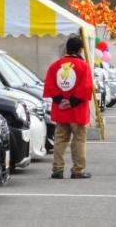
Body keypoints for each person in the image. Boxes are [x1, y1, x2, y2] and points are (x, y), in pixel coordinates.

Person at [43, 36, 93, 179]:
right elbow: (86, 87)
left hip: (61, 109)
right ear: (80, 49)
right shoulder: (83, 66)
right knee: (79, 139)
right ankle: (78, 170)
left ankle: (57, 169)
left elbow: (50, 86)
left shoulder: (55, 65)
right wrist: (73, 102)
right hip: (77, 110)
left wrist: (60, 100)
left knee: (60, 139)